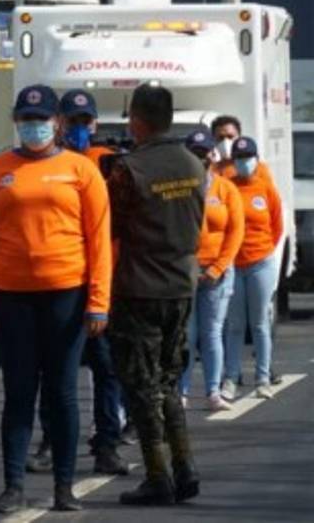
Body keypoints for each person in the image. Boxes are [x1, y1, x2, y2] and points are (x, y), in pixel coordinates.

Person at [0, 85, 112, 514]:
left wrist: (99, 301)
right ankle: (14, 485)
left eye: (42, 119)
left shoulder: (81, 171)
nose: (34, 126)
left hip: (66, 295)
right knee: (18, 392)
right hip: (10, 298)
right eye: (26, 119)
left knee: (62, 393)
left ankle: (64, 487)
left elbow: (99, 240)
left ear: (58, 123)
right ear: (16, 122)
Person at [105, 84, 206, 506]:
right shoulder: (195, 164)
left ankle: (158, 474)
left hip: (140, 289)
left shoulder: (130, 169)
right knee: (168, 380)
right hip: (182, 286)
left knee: (143, 386)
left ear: (137, 120)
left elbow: (111, 226)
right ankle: (185, 467)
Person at [59, 90, 128, 475]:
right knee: (55, 370)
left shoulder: (109, 163)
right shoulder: (50, 163)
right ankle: (53, 443)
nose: (79, 129)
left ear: (95, 124)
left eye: (85, 122)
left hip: (102, 279)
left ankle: (107, 443)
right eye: (73, 122)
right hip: (62, 280)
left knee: (106, 366)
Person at [179, 127, 244, 411]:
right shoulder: (177, 189)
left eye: (204, 152)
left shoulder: (225, 188)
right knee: (185, 335)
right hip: (186, 273)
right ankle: (180, 392)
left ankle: (213, 391)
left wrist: (218, 267)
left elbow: (235, 232)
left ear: (212, 154)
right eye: (194, 153)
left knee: (212, 333)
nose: (200, 158)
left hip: (216, 274)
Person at [221, 136, 284, 400]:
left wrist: (263, 250)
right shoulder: (228, 187)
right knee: (234, 325)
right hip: (234, 264)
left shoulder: (265, 187)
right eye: (239, 158)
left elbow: (277, 225)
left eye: (247, 157)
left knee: (259, 324)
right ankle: (231, 379)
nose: (243, 163)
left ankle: (262, 378)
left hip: (261, 263)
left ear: (256, 159)